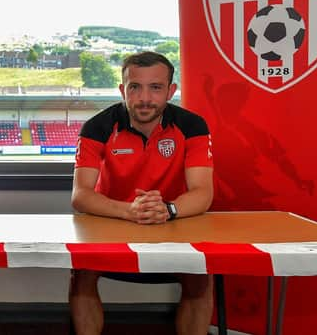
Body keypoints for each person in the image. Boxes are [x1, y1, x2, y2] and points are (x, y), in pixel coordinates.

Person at [69, 51, 214, 335]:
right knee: (81, 272)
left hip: (174, 222)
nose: (145, 98)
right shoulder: (97, 127)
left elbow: (203, 193)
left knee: (200, 276)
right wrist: (129, 210)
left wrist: (168, 209)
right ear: (123, 89)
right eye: (135, 87)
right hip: (113, 222)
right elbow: (80, 195)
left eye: (156, 87)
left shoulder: (193, 126)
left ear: (171, 91)